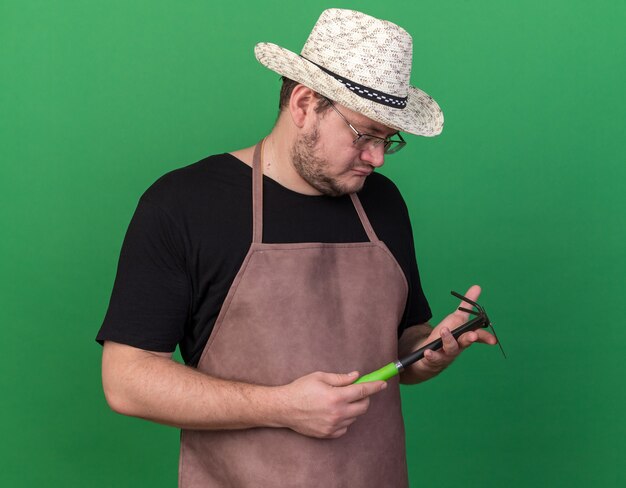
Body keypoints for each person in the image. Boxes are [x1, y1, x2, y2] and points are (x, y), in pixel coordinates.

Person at [97, 8, 497, 488]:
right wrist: (282, 407)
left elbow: (400, 346)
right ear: (304, 104)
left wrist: (426, 352)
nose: (376, 159)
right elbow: (127, 381)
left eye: (388, 141)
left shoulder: (384, 204)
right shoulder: (184, 204)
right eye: (364, 135)